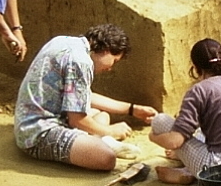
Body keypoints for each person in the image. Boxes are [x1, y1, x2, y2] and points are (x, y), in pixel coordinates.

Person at [15, 24, 157, 171]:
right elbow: (77, 120)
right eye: (114, 61)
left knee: (102, 115)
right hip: (38, 135)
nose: (110, 68)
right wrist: (111, 131)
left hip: (26, 123)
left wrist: (132, 109)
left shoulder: (64, 41)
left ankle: (100, 140)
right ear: (107, 49)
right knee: (106, 158)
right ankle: (104, 142)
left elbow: (82, 96)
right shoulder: (81, 62)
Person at [149, 38, 221, 185]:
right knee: (201, 133)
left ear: (195, 67)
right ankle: (186, 164)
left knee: (160, 121)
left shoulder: (198, 91)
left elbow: (174, 141)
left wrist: (153, 137)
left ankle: (188, 172)